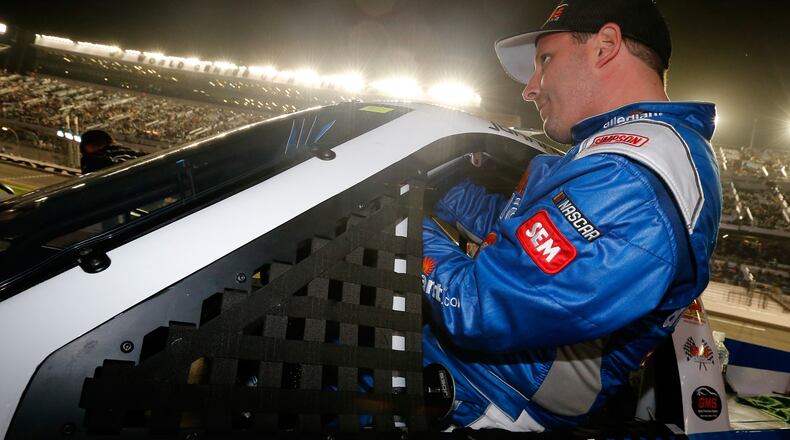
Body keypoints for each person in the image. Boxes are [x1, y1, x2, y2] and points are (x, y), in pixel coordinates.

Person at [420, 0, 721, 432]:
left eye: (545, 60)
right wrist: (439, 192)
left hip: (483, 400)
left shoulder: (635, 171)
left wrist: (395, 224)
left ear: (605, 46)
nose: (530, 88)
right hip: (479, 379)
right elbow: (520, 234)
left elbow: (478, 305)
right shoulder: (621, 151)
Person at [79, 129, 144, 174]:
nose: (96, 147)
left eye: (98, 144)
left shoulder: (117, 151)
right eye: (92, 146)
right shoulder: (88, 161)